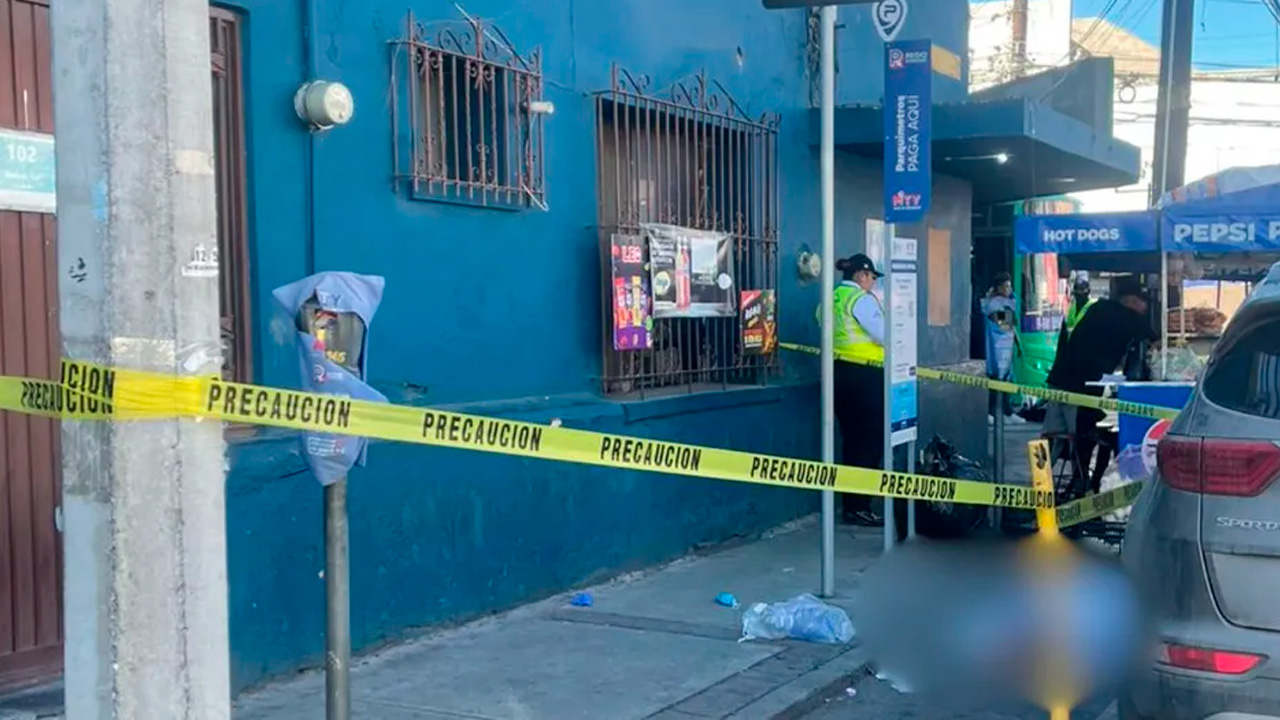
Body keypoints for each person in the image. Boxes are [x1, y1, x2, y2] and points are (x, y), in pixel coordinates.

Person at [1044, 279, 1159, 496]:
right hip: (1079, 384)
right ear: (1131, 300)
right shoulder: (1127, 317)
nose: (1145, 308)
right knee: (1083, 432)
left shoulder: (1098, 308)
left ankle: (1068, 484)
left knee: (1058, 436)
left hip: (1061, 379)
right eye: (1143, 302)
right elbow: (1155, 337)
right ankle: (1081, 484)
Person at [816, 253, 886, 526]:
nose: (872, 284)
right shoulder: (861, 300)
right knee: (869, 440)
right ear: (861, 276)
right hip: (865, 376)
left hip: (838, 375)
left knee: (852, 439)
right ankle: (860, 505)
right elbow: (884, 334)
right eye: (871, 278)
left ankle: (851, 504)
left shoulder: (830, 299)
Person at [981, 272, 1018, 419]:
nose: (1009, 289)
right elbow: (1006, 323)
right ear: (998, 288)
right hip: (997, 348)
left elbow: (1012, 324)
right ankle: (992, 411)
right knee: (996, 379)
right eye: (1006, 286)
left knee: (1007, 378)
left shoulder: (1008, 303)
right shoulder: (994, 304)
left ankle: (1007, 410)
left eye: (1010, 286)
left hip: (1006, 347)